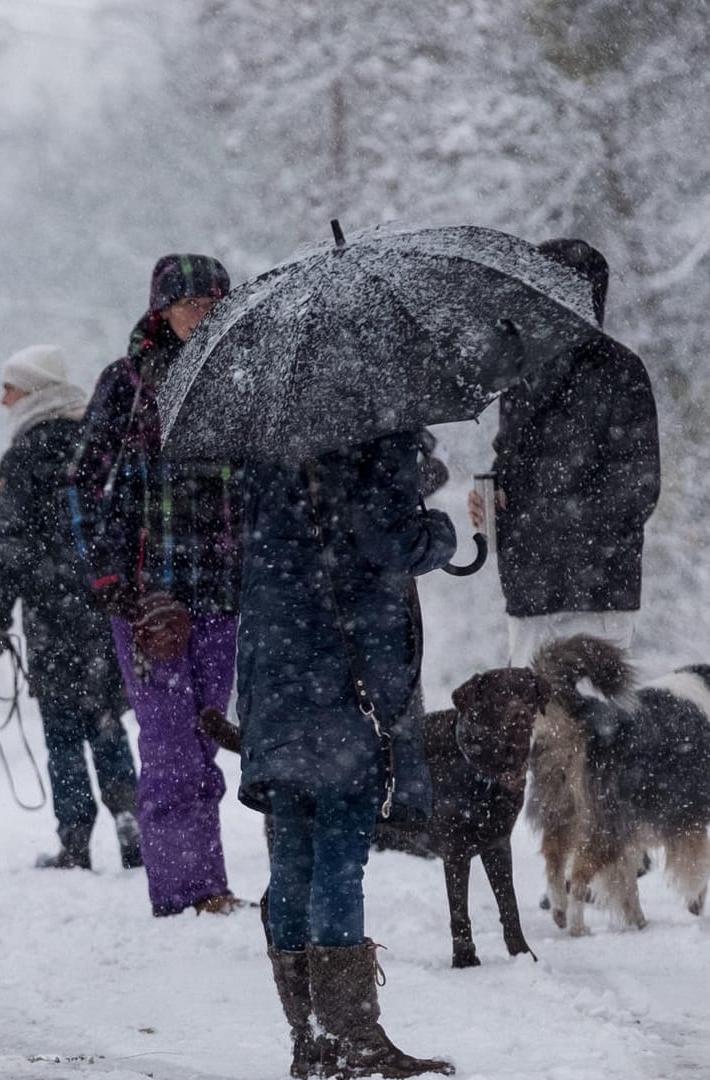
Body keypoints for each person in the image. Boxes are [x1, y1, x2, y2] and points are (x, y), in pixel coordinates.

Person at [239, 431, 457, 1079]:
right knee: (339, 845)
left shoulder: (265, 435)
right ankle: (351, 1039)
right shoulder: (375, 427)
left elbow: (251, 551)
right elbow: (391, 541)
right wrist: (439, 528)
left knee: (293, 851)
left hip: (276, 666)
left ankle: (311, 1038)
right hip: (347, 670)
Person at [68, 254, 243, 917]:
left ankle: (211, 882)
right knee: (168, 741)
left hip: (224, 590)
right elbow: (83, 479)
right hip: (148, 599)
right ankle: (182, 890)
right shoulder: (127, 384)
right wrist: (107, 574)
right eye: (193, 302)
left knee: (206, 735)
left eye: (216, 301)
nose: (205, 314)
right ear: (162, 310)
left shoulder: (241, 379)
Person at [0, 344, 141, 871]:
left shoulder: (23, 454)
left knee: (62, 728)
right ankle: (129, 818)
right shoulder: (96, 439)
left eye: (11, 387)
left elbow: (14, 544)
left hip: (50, 609)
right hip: (104, 598)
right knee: (106, 717)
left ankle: (74, 839)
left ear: (33, 391)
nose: (3, 400)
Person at [468, 238, 659, 667]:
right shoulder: (521, 373)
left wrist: (541, 519)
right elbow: (511, 460)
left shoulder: (619, 371)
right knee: (530, 732)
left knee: (592, 728)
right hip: (529, 593)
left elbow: (637, 488)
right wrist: (492, 497)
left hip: (595, 597)